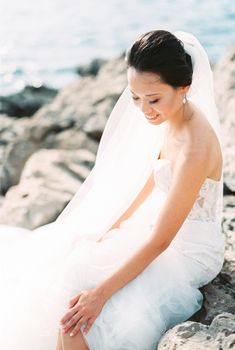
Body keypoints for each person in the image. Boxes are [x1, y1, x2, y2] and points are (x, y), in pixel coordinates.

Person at [0, 30, 225, 350]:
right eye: (136, 97)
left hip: (187, 251)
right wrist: (114, 226)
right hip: (159, 230)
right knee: (73, 267)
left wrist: (100, 295)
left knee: (83, 320)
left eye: (154, 99)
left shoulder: (196, 147)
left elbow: (162, 241)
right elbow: (153, 178)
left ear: (184, 88)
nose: (145, 110)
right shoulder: (171, 118)